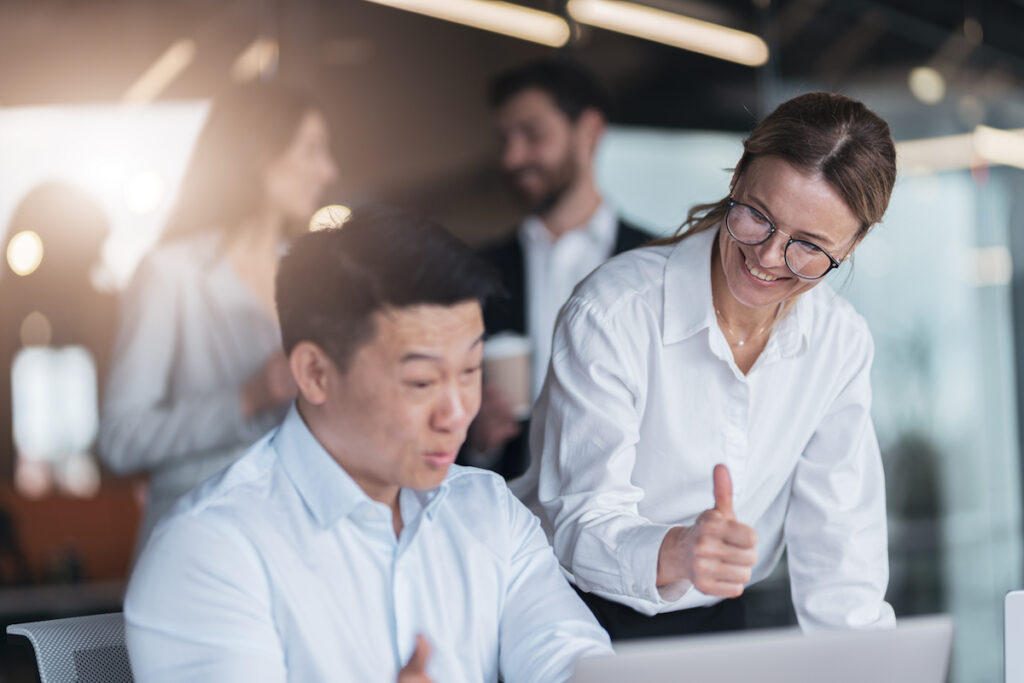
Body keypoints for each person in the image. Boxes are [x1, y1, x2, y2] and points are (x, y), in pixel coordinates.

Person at [123, 211, 612, 682]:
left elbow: (573, 664)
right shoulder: (213, 548)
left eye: (469, 371)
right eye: (421, 382)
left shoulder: (487, 510)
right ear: (315, 374)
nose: (457, 413)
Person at [517, 92, 898, 639]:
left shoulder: (838, 343)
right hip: (568, 611)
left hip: (717, 617)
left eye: (809, 246)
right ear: (737, 177)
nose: (768, 258)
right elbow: (578, 522)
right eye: (758, 217)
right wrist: (680, 549)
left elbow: (842, 557)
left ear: (854, 243)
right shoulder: (614, 312)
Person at [99, 82, 338, 548]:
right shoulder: (170, 273)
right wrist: (246, 397)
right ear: (259, 153)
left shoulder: (316, 277)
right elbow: (119, 439)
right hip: (199, 545)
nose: (328, 170)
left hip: (300, 543)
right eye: (312, 150)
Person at [462, 59, 651, 480]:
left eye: (532, 134)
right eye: (505, 139)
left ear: (589, 131)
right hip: (510, 513)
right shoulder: (473, 272)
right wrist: (477, 442)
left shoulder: (654, 260)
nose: (512, 157)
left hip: (631, 512)